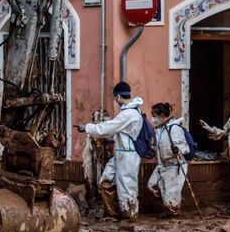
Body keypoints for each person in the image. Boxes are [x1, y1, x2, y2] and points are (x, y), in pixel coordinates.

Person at [78, 82, 145, 224]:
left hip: (128, 155)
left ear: (119, 97)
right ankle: (114, 214)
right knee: (105, 182)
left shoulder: (129, 113)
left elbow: (109, 127)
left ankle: (129, 216)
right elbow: (120, 131)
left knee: (127, 187)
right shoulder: (131, 112)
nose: (116, 100)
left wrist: (87, 128)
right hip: (121, 153)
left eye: (115, 97)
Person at [147, 102, 190, 215]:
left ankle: (173, 217)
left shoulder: (174, 128)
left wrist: (178, 149)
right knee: (151, 185)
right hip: (162, 166)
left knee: (171, 201)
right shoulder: (159, 130)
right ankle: (169, 203)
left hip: (174, 167)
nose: (153, 118)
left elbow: (185, 147)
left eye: (154, 115)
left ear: (161, 115)